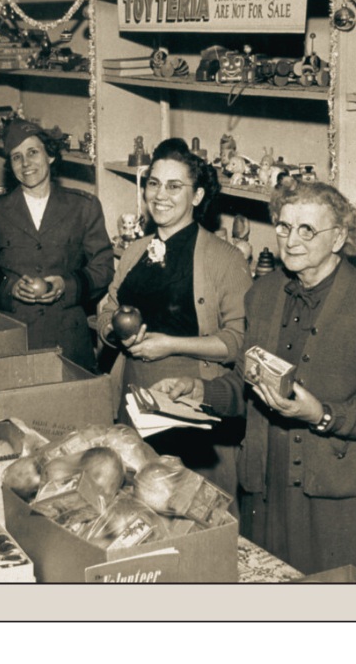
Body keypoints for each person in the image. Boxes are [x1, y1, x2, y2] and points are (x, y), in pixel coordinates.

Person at [153, 179, 356, 580]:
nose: (290, 240)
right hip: (265, 483)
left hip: (333, 496)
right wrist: (200, 390)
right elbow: (246, 384)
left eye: (308, 230)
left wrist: (320, 414)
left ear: (339, 237)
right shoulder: (263, 293)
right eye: (284, 226)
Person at [96, 138, 253, 508]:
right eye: (153, 183)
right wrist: (115, 332)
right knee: (138, 503)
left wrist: (170, 344)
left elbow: (238, 340)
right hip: (135, 395)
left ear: (197, 196)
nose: (160, 195)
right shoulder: (135, 249)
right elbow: (109, 307)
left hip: (191, 403)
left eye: (174, 186)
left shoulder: (225, 259)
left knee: (193, 508)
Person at [0, 118, 114, 373]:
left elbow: (103, 268)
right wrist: (9, 289)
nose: (26, 164)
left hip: (69, 341)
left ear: (51, 156)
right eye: (16, 157)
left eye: (33, 152)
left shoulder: (84, 207)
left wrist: (65, 285)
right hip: (13, 339)